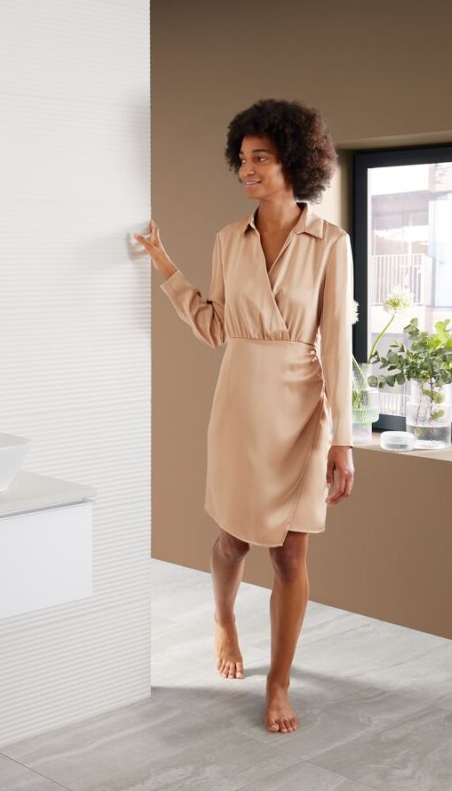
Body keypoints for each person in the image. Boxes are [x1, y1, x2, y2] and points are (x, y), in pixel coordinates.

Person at [136, 99, 355, 734]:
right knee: (233, 539)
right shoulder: (229, 240)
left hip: (301, 410)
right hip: (238, 403)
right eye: (242, 159)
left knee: (290, 556)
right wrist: (165, 265)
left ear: (296, 162)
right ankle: (224, 619)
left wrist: (343, 440)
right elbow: (214, 327)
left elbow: (338, 344)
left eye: (260, 158)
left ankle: (279, 682)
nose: (247, 169)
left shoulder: (330, 244)